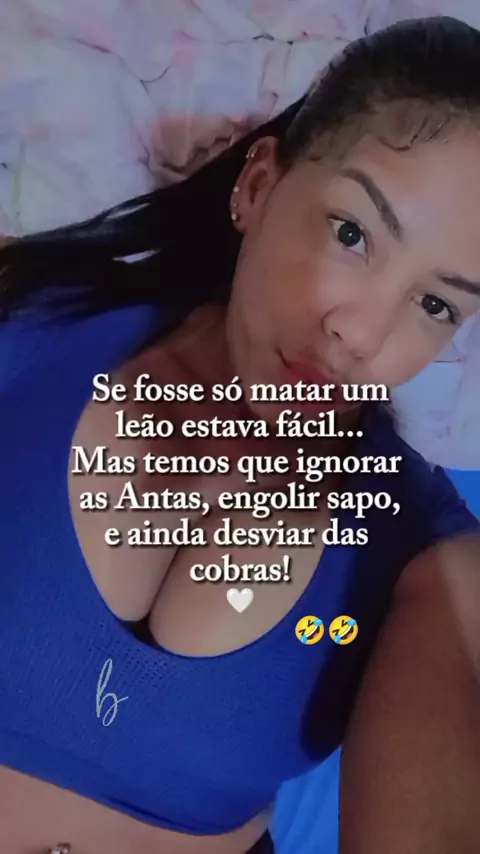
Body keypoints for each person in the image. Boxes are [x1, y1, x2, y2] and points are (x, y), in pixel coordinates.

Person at [1, 14, 480, 854]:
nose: (361, 333)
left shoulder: (429, 560)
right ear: (258, 186)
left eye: (436, 304)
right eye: (353, 234)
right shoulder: (30, 316)